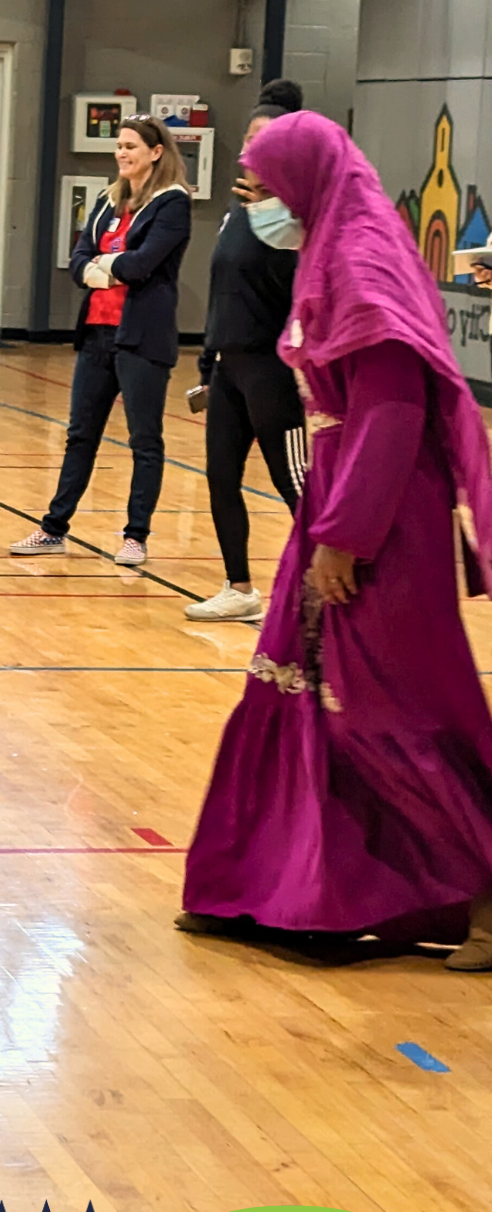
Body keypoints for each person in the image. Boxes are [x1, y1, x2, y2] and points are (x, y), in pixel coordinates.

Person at [178, 112, 492, 969]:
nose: (261, 206)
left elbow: (393, 410)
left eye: (268, 189)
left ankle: (486, 895)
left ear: (309, 182)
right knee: (292, 689)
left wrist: (348, 538)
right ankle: (258, 886)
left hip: (386, 515)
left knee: (397, 700)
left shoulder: (361, 261)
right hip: (338, 497)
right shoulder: (329, 245)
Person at [10, 116, 191, 565]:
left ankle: (136, 536)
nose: (123, 154)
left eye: (132, 146)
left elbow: (143, 264)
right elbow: (77, 261)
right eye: (119, 147)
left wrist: (103, 268)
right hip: (96, 333)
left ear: (155, 152)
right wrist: (106, 268)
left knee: (144, 439)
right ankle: (54, 528)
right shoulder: (107, 200)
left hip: (142, 337)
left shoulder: (173, 204)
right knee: (79, 435)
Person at [187, 92, 306, 622]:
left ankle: (322, 590)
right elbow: (222, 289)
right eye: (248, 139)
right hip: (229, 364)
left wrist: (272, 207)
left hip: (273, 369)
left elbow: (298, 291)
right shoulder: (235, 212)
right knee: (220, 476)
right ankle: (239, 588)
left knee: (295, 483)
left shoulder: (295, 221)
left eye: (262, 140)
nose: (249, 149)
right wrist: (208, 361)